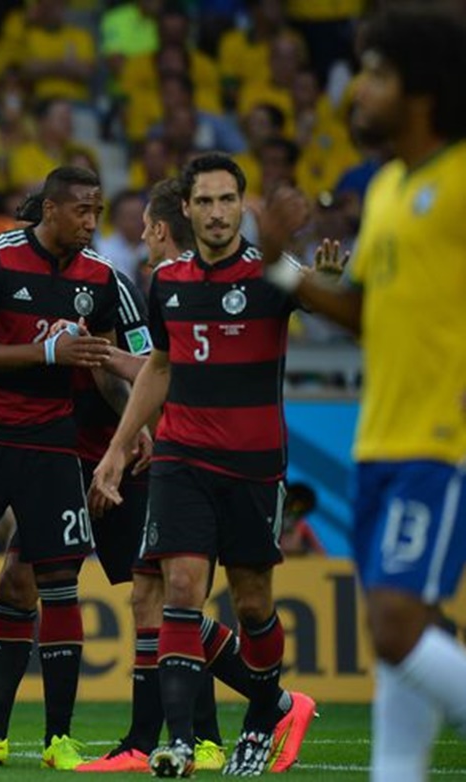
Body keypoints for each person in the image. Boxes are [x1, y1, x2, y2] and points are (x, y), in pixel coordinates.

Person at [255, 9, 466, 780]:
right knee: (405, 633)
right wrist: (282, 264)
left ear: (422, 89)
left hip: (441, 442)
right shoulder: (385, 191)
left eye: (376, 74)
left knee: (398, 627)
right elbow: (366, 312)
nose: (359, 90)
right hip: (379, 440)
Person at [91, 153, 317, 777]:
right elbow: (160, 367)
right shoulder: (166, 282)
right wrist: (117, 449)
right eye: (206, 202)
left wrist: (323, 275)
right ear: (185, 209)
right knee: (181, 590)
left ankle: (264, 714)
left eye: (227, 200)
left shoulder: (272, 272)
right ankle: (182, 742)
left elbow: (328, 303)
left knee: (251, 603)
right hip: (182, 460)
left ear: (242, 206)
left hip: (254, 467)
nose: (217, 213)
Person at [0, 166, 128, 770]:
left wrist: (131, 430)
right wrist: (46, 351)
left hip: (52, 442)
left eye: (99, 211)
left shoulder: (101, 277)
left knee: (60, 583)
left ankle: (58, 738)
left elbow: (104, 363)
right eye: (84, 211)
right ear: (54, 210)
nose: (93, 223)